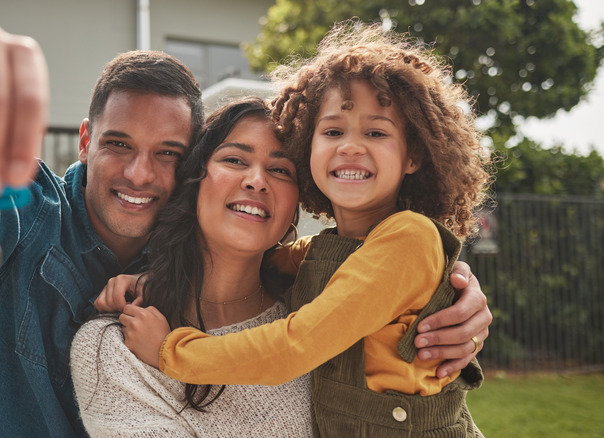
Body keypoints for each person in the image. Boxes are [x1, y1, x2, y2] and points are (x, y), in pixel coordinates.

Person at [0, 22, 488, 437]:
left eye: (168, 153)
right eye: (118, 144)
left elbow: (336, 293)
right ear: (86, 141)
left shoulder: (305, 298)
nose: (141, 172)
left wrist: (455, 293)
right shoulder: (44, 231)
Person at [118, 22, 490, 436]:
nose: (350, 146)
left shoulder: (410, 237)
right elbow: (250, 262)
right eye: (332, 131)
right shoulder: (327, 249)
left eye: (376, 132)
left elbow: (296, 346)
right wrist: (153, 279)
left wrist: (171, 352)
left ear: (414, 156)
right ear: (307, 148)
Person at [71, 98, 314, 436]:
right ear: (193, 181)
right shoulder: (112, 349)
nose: (257, 181)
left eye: (280, 170)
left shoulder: (320, 318)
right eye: (234, 160)